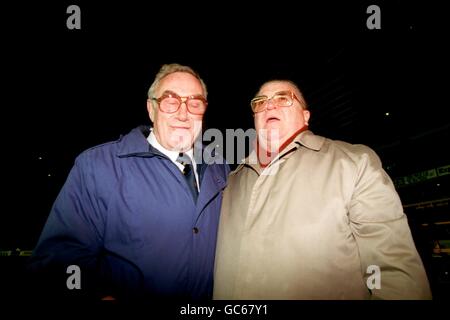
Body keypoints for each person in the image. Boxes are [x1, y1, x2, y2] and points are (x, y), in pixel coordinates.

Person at [213, 79, 432, 299]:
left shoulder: (353, 164)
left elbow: (389, 270)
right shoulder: (231, 182)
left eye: (282, 98)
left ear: (306, 116)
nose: (269, 105)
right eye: (260, 102)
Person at [29, 63, 229, 300]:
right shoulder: (98, 166)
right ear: (151, 108)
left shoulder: (220, 168)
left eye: (194, 103)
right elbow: (58, 259)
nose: (183, 113)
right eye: (170, 100)